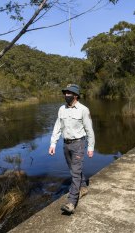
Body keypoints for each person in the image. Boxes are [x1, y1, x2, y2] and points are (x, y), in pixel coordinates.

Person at [48, 84, 95, 214]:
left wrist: (90, 147)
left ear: (75, 95)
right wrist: (53, 144)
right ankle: (84, 187)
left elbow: (89, 130)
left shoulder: (83, 110)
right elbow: (58, 127)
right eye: (65, 93)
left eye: (68, 93)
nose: (66, 95)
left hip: (79, 144)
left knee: (75, 172)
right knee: (73, 169)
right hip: (66, 144)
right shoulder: (61, 109)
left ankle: (71, 202)